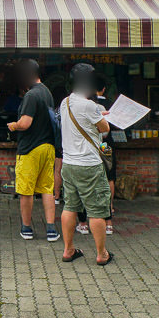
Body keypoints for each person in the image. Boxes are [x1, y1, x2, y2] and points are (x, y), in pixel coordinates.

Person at [59, 63, 114, 266]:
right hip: (89, 165)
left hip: (69, 164)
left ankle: (68, 250)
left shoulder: (64, 103)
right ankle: (101, 254)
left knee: (70, 206)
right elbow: (104, 129)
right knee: (97, 210)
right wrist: (102, 118)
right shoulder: (90, 105)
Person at [7, 59, 59, 242]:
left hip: (30, 149)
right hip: (48, 147)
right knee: (47, 189)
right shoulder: (47, 92)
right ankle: (51, 229)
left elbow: (25, 123)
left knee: (26, 191)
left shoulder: (31, 96)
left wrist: (13, 125)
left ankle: (27, 228)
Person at [77, 77, 116, 235]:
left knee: (84, 187)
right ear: (103, 89)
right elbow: (105, 132)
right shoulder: (103, 106)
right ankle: (108, 222)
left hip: (86, 152)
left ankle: (83, 223)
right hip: (103, 148)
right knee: (107, 181)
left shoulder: (78, 107)